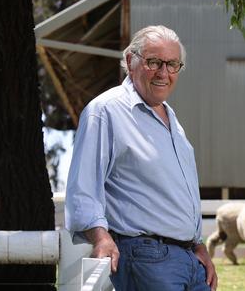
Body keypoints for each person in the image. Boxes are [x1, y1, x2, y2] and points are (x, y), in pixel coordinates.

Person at [65, 25, 217, 290]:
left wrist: (198, 245)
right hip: (147, 259)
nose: (163, 73)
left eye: (172, 65)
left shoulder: (171, 119)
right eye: (154, 62)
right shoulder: (106, 111)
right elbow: (83, 187)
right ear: (129, 61)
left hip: (189, 261)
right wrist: (100, 237)